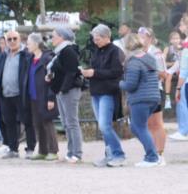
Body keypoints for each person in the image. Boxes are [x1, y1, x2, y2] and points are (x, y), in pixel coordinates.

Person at [81, 24, 126, 167]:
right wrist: (88, 73)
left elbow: (117, 73)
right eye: (94, 38)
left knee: (104, 125)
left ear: (107, 37)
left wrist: (94, 73)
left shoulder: (115, 51)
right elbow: (97, 70)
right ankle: (109, 155)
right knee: (103, 127)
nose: (95, 41)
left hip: (108, 92)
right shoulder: (97, 51)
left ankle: (119, 154)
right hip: (96, 92)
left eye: (98, 38)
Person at [119, 32, 163, 167]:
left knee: (139, 127)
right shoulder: (149, 57)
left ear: (127, 46)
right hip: (154, 97)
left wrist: (119, 83)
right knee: (138, 127)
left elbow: (131, 85)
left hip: (140, 99)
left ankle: (152, 157)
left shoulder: (133, 62)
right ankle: (153, 155)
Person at [0, 30, 35, 159]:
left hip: (21, 94)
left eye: (14, 38)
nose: (12, 41)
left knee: (27, 121)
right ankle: (13, 149)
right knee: (9, 122)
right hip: (5, 94)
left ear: (20, 39)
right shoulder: (2, 55)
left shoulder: (26, 55)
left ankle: (31, 148)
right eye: (9, 39)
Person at [46, 27, 83, 164]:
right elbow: (59, 70)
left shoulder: (68, 50)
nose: (52, 39)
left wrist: (64, 88)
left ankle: (77, 153)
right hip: (61, 90)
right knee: (66, 123)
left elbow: (71, 71)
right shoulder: (60, 52)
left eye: (54, 36)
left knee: (72, 122)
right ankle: (70, 151)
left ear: (62, 37)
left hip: (69, 89)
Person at [26, 33, 59, 160]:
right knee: (38, 123)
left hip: (44, 95)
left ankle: (53, 150)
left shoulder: (47, 58)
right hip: (33, 96)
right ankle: (42, 150)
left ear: (35, 44)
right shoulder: (31, 58)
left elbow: (52, 79)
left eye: (28, 43)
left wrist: (51, 98)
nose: (27, 46)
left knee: (47, 122)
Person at [138, 27, 167, 162]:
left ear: (150, 38)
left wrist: (145, 73)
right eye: (139, 35)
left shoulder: (156, 53)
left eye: (143, 36)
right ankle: (151, 153)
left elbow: (163, 74)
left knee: (157, 123)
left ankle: (159, 153)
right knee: (147, 124)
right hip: (142, 92)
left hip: (155, 90)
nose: (140, 38)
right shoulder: (136, 53)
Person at [163, 30, 182, 111]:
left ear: (180, 39)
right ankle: (167, 98)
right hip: (171, 70)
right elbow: (163, 61)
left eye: (177, 38)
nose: (175, 40)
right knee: (169, 75)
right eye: (173, 39)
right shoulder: (167, 49)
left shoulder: (183, 48)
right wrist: (172, 64)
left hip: (181, 70)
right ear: (170, 40)